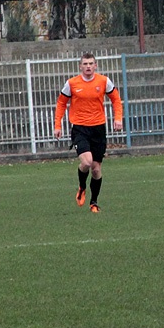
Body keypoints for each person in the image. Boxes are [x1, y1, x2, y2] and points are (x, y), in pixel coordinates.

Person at [53, 53, 124, 213]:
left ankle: (94, 202)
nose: (88, 66)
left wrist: (118, 118)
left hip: (98, 128)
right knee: (87, 162)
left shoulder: (104, 81)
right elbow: (61, 103)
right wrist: (58, 125)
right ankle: (82, 187)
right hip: (80, 128)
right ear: (80, 66)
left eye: (91, 63)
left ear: (95, 65)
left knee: (96, 169)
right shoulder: (71, 83)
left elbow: (116, 99)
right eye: (85, 63)